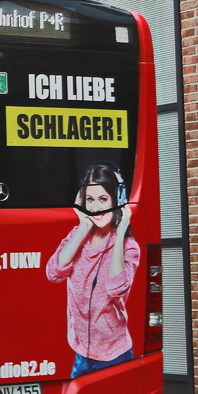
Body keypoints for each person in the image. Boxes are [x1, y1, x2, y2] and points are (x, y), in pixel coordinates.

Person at [45, 161, 140, 377]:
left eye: (103, 199)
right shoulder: (76, 237)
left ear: (119, 199)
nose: (96, 207)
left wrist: (121, 230)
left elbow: (116, 288)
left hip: (114, 355)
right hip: (81, 354)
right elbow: (53, 273)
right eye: (90, 199)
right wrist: (83, 227)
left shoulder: (127, 247)